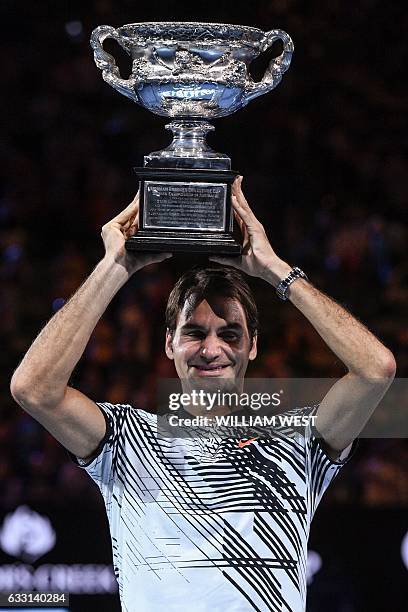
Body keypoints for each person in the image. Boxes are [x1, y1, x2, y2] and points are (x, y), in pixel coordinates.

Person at [10, 177, 396, 612]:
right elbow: (33, 389)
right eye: (194, 333)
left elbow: (375, 371)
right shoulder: (126, 439)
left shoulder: (298, 440)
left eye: (230, 334)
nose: (213, 350)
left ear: (252, 345)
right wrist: (115, 265)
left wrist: (274, 270)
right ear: (169, 344)